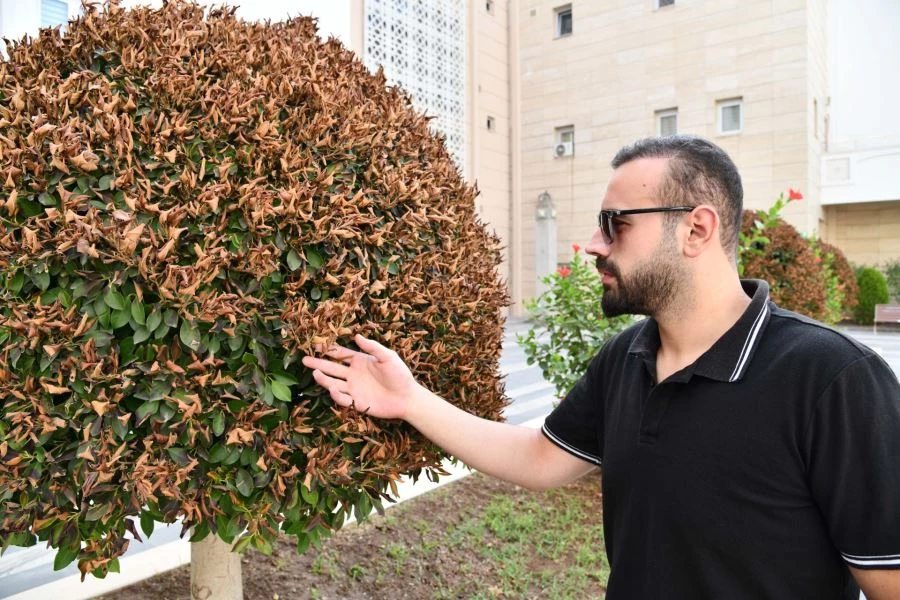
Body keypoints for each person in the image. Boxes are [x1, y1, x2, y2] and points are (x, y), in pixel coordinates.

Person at [302, 135, 900, 599]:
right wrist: (410, 400)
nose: (592, 244)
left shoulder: (834, 381)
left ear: (696, 228)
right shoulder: (628, 356)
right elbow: (538, 458)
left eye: (616, 223)